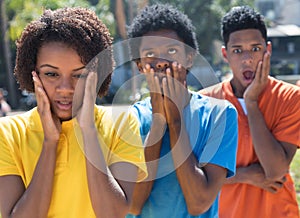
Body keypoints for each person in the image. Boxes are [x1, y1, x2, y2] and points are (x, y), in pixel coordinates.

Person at [0, 7, 147, 218]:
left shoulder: (122, 125)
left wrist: (88, 131)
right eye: (51, 74)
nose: (65, 88)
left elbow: (113, 214)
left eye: (79, 75)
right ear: (34, 74)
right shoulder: (8, 133)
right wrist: (50, 142)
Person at [126, 4, 238, 217]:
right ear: (139, 66)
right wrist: (158, 122)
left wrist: (175, 122)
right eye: (150, 54)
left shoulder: (220, 115)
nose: (161, 63)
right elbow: (133, 204)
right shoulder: (132, 119)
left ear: (188, 57)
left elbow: (199, 203)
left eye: (171, 51)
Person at [200, 6, 300, 218]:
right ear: (225, 54)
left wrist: (251, 102)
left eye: (255, 48)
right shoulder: (205, 103)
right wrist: (244, 175)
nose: (247, 59)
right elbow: (194, 177)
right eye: (237, 50)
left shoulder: (290, 98)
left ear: (268, 50)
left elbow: (275, 171)